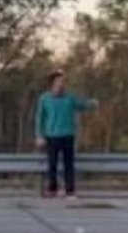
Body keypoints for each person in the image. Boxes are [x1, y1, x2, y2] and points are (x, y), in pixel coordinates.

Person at [35, 70, 98, 198]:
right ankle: (52, 189)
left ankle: (70, 190)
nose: (62, 84)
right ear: (53, 83)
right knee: (52, 164)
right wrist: (39, 135)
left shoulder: (70, 97)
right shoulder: (44, 98)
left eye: (63, 81)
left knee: (69, 164)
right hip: (51, 135)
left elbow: (81, 105)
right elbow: (39, 118)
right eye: (60, 81)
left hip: (68, 135)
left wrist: (92, 103)